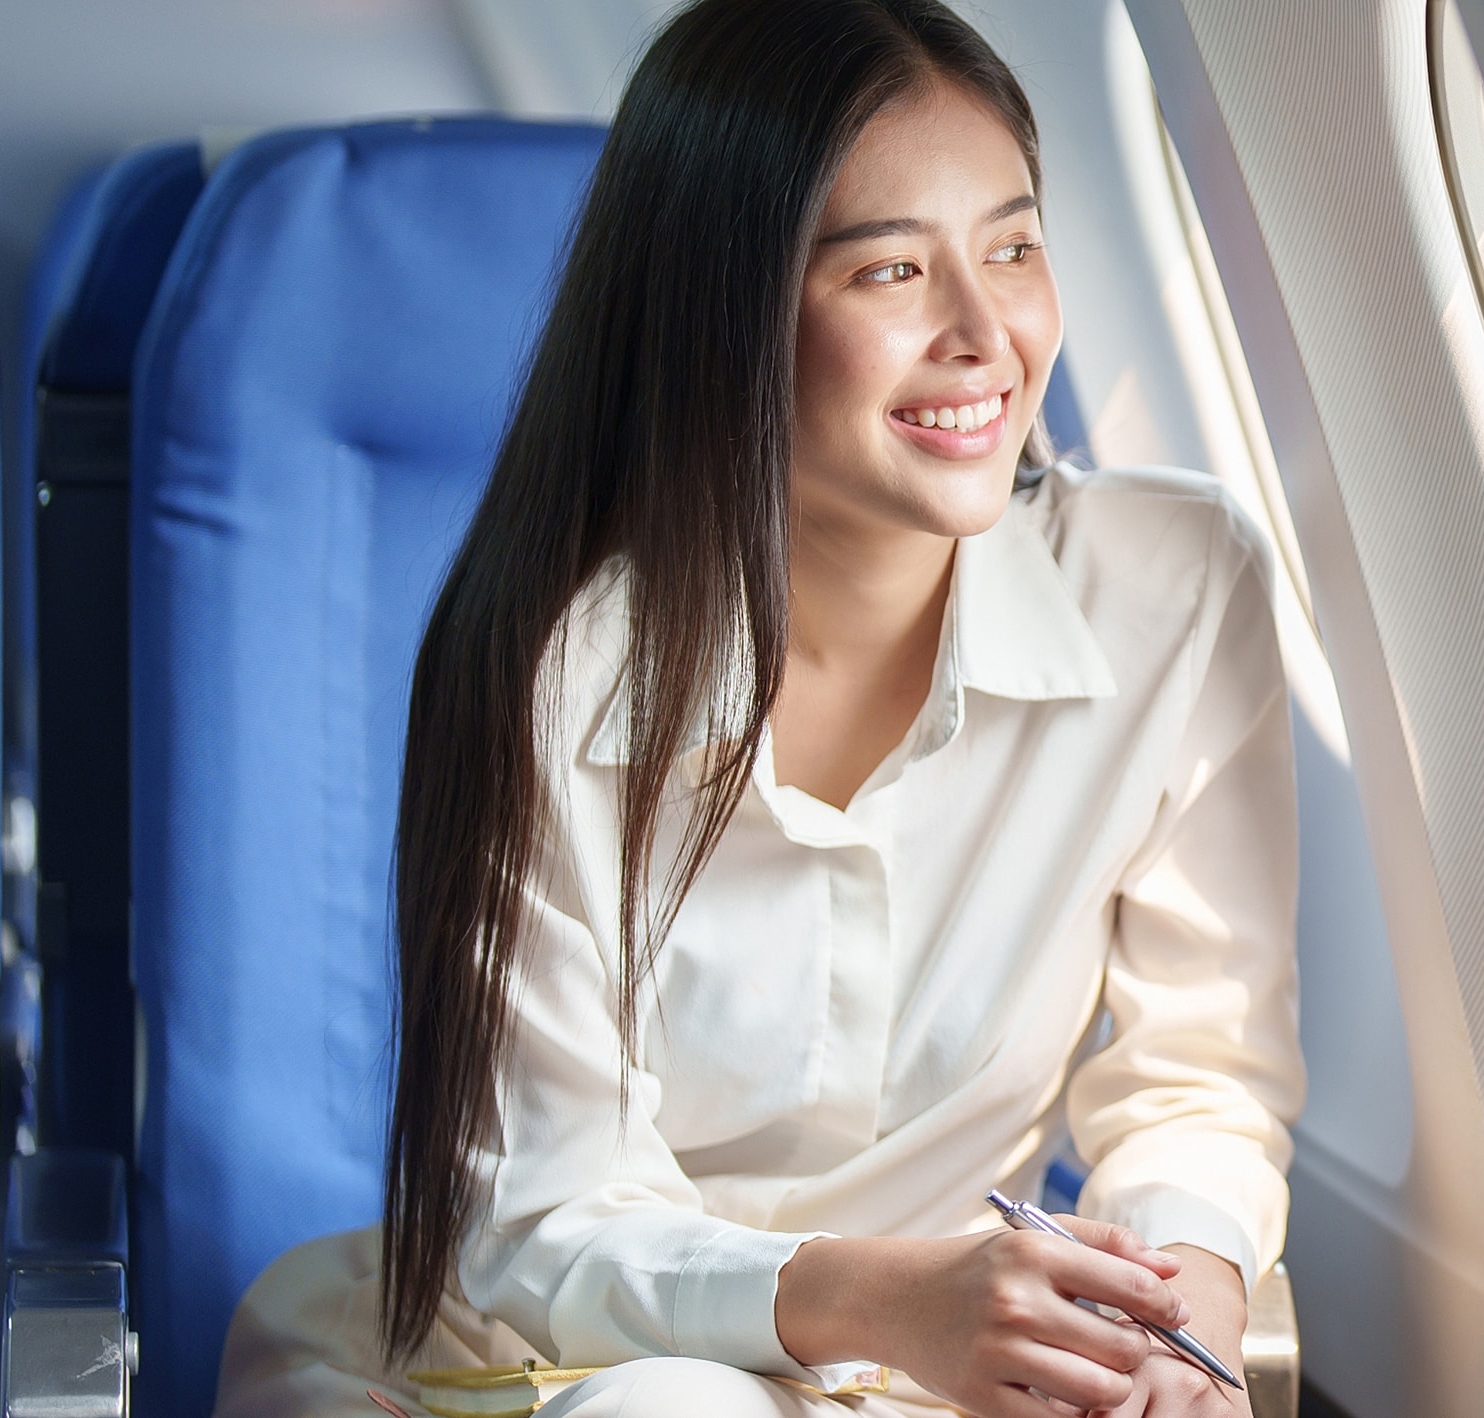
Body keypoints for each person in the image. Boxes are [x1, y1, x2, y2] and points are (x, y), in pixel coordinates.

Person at [215, 1, 1303, 1414]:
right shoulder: (551, 666)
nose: (988, 333)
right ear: (727, 312)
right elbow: (544, 1219)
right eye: (894, 271)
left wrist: (1170, 1318)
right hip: (562, 1361)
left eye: (1016, 247)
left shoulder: (1177, 591)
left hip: (945, 1373)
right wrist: (884, 1298)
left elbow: (1195, 1077)